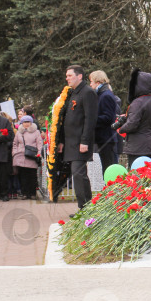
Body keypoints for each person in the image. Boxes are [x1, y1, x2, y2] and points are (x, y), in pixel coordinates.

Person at [58, 65, 97, 210]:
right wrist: (62, 141)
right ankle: (86, 207)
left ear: (79, 76)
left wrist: (85, 141)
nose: (67, 78)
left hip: (80, 142)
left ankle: (85, 208)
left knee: (78, 174)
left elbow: (90, 119)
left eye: (69, 75)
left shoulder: (88, 93)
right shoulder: (73, 93)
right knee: (79, 175)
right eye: (66, 75)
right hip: (71, 143)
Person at [116, 69, 151, 165]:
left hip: (137, 146)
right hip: (149, 144)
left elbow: (132, 124)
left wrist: (121, 129)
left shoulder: (137, 102)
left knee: (135, 174)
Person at [89, 70, 121, 173]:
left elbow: (108, 117)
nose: (90, 84)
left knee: (108, 168)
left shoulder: (106, 95)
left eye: (91, 82)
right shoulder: (102, 94)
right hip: (103, 138)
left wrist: (92, 119)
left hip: (106, 138)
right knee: (105, 166)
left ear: (98, 82)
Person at [12, 115, 43, 199]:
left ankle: (32, 193)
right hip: (21, 156)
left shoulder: (36, 132)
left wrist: (39, 153)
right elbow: (15, 144)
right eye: (24, 122)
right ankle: (25, 193)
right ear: (22, 123)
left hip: (32, 156)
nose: (26, 124)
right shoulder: (19, 132)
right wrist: (15, 153)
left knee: (32, 176)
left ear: (31, 122)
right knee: (22, 176)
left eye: (28, 122)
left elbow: (39, 143)